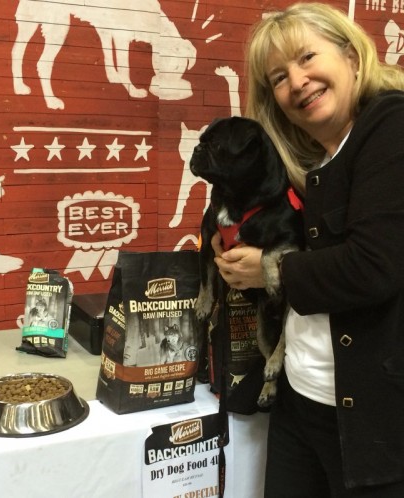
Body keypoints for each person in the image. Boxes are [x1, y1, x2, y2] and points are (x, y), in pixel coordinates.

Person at [212, 3, 404, 496]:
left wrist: (270, 271)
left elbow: (372, 267)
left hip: (371, 424)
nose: (296, 82)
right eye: (279, 76)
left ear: (352, 57)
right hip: (301, 400)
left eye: (306, 58)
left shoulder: (391, 127)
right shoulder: (316, 159)